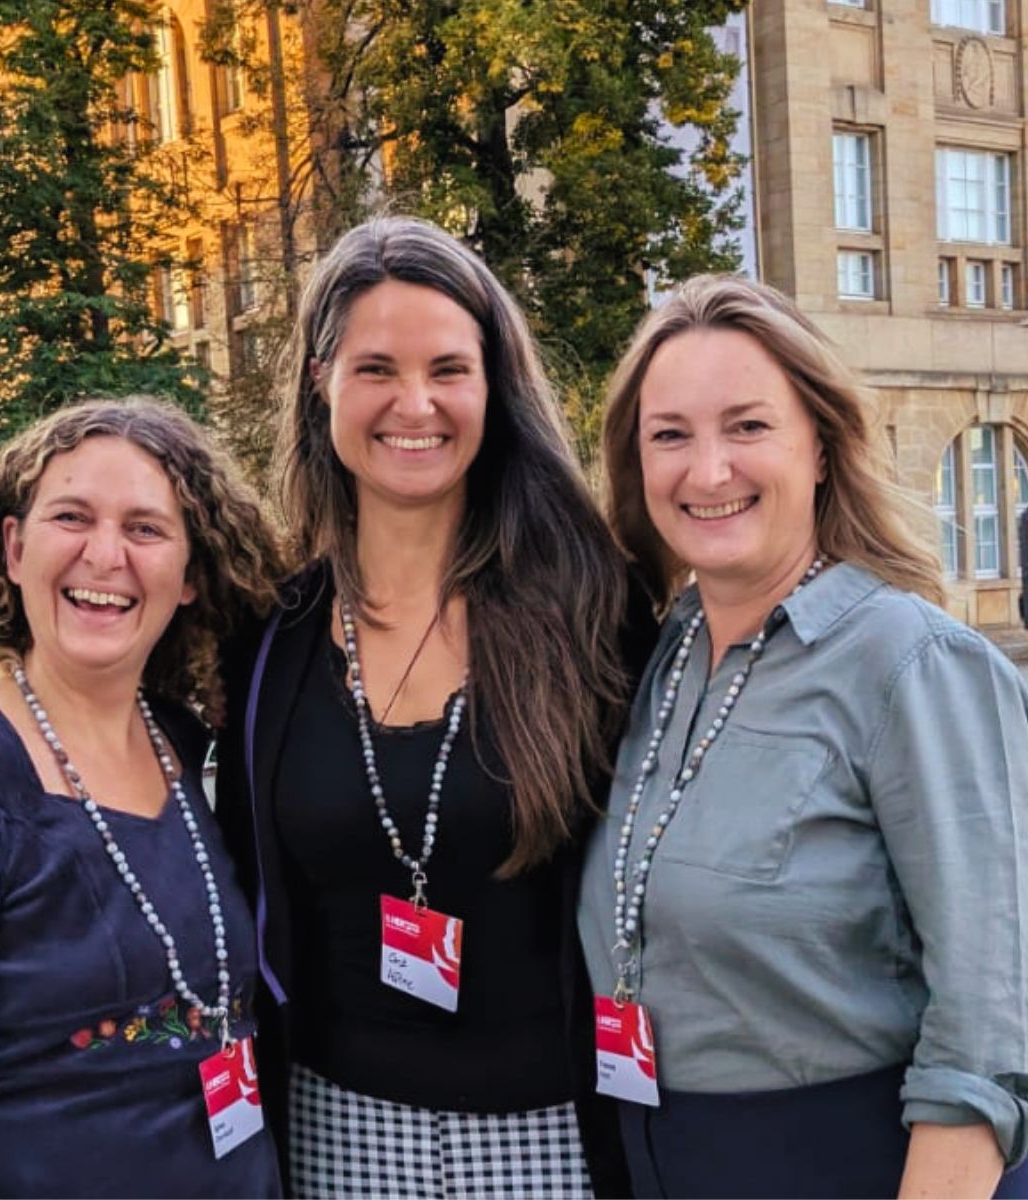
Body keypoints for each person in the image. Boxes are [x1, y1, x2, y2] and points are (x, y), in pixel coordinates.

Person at [217, 216, 657, 1198]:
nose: (414, 403)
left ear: (494, 388)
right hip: (333, 1131)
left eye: (448, 369)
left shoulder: (595, 608)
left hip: (553, 1138)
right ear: (320, 380)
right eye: (376, 367)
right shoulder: (274, 639)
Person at [580, 274, 1028, 1199]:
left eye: (747, 427)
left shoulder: (913, 665)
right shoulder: (663, 657)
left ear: (819, 447)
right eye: (671, 435)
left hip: (851, 1161)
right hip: (664, 1154)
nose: (708, 471)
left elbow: (992, 1024)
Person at [0, 397, 285, 1199]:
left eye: (145, 529)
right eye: (71, 517)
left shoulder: (181, 744)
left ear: (189, 577)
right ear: (13, 548)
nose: (104, 556)